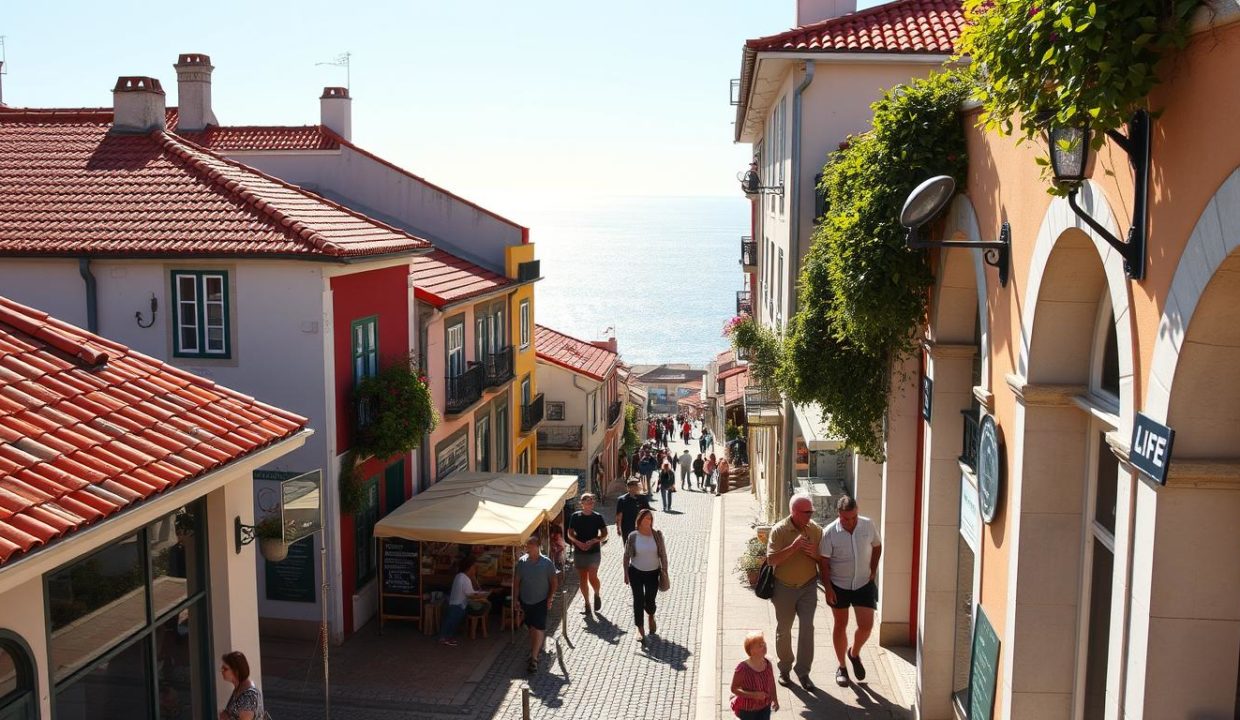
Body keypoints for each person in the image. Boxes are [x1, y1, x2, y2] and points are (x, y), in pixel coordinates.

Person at [819, 495, 882, 687]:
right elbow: (823, 562)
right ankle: (842, 667)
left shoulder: (867, 525)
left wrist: (873, 570)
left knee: (866, 626)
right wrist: (828, 588)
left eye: (854, 517)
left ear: (857, 511)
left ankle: (854, 653)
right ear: (839, 514)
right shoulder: (829, 532)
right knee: (841, 624)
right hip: (839, 585)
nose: (851, 521)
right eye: (846, 518)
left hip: (864, 583)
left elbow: (877, 547)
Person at [766, 493, 823, 690]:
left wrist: (815, 555)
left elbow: (823, 559)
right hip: (784, 588)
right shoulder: (779, 531)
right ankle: (784, 669)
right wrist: (794, 547)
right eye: (806, 512)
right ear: (794, 512)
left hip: (808, 587)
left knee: (808, 628)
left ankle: (804, 672)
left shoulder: (816, 530)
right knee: (784, 630)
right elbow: (771, 560)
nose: (810, 515)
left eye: (811, 512)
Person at [621, 509, 670, 646]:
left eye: (650, 518)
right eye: (646, 518)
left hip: (653, 572)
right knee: (638, 599)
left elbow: (663, 554)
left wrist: (665, 570)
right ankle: (640, 628)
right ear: (640, 520)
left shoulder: (657, 535)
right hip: (635, 571)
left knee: (650, 599)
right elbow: (626, 556)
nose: (648, 521)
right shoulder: (633, 536)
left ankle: (651, 615)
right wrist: (625, 572)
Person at [513, 535, 558, 673]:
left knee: (538, 627)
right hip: (526, 600)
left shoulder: (547, 563)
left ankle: (534, 658)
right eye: (527, 546)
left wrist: (550, 598)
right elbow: (517, 582)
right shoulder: (522, 562)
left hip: (541, 601)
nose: (528, 549)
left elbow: (554, 582)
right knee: (531, 627)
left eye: (531, 546)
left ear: (538, 547)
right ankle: (534, 650)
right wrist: (515, 599)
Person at [567, 493, 608, 616]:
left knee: (593, 576)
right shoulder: (575, 516)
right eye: (587, 500)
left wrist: (595, 540)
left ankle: (596, 593)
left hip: (594, 551)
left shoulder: (597, 517)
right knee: (582, 578)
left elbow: (604, 533)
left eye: (591, 500)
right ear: (582, 503)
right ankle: (587, 604)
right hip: (580, 551)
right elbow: (570, 533)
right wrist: (578, 543)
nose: (590, 502)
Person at [438, 556, 491, 645]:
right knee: (451, 622)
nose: (475, 570)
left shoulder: (460, 576)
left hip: (456, 604)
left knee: (452, 622)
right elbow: (470, 594)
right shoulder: (464, 578)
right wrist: (482, 594)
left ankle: (447, 637)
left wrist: (474, 580)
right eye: (474, 568)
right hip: (458, 605)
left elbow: (471, 592)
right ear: (470, 568)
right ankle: (444, 638)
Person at [730, 631, 779, 720]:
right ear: (752, 651)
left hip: (765, 706)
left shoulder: (767, 664)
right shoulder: (742, 668)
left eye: (764, 643)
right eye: (760, 645)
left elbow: (771, 683)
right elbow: (734, 689)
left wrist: (775, 698)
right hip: (747, 710)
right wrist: (754, 695)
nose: (764, 646)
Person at [219, 651, 264, 720]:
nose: (222, 671)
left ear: (236, 671)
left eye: (225, 669)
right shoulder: (239, 689)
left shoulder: (249, 694)